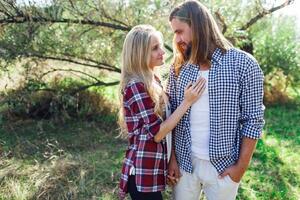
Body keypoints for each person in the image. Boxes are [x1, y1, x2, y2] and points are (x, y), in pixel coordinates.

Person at [166, 1, 265, 200]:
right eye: (174, 33)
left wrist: (240, 168)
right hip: (185, 165)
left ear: (198, 25)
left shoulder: (244, 64)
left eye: (180, 31)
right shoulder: (179, 67)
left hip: (224, 167)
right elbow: (171, 115)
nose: (176, 39)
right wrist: (173, 160)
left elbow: (253, 120)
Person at [118, 24, 206, 200]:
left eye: (160, 46)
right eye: (155, 48)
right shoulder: (135, 86)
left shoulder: (153, 80)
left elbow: (167, 130)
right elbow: (157, 133)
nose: (162, 52)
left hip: (153, 169)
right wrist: (187, 102)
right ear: (139, 53)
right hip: (142, 173)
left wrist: (171, 160)